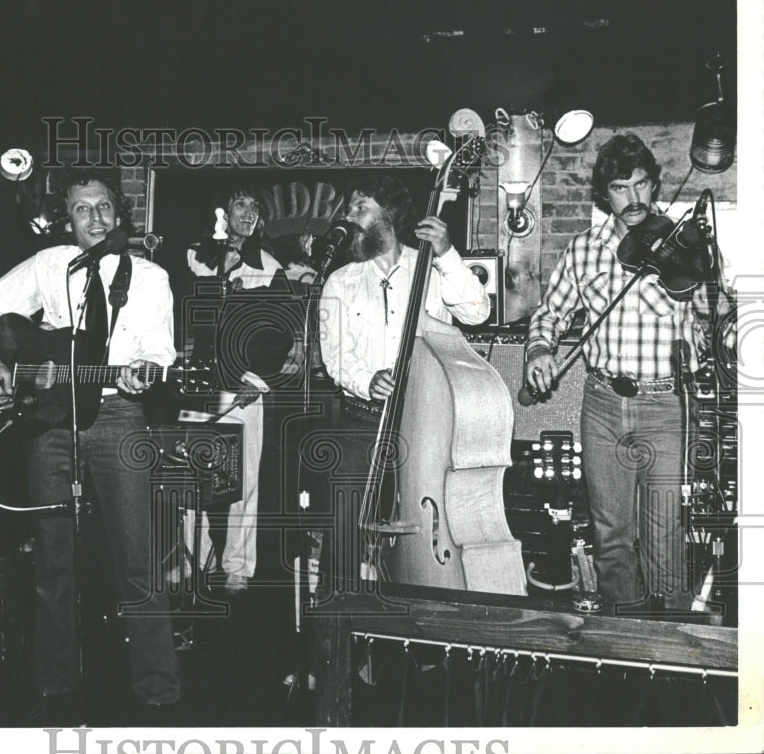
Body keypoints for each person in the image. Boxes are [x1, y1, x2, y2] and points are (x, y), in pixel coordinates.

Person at [0, 167, 180, 721]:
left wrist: (146, 371)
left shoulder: (150, 276)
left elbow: (160, 350)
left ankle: (158, 691)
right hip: (52, 423)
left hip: (119, 418)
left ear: (119, 212)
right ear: (68, 217)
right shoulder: (50, 265)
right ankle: (55, 688)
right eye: (82, 209)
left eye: (103, 207)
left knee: (138, 561)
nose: (95, 219)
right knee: (52, 561)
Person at [524, 133, 717, 612]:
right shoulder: (584, 250)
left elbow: (714, 321)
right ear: (603, 194)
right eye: (619, 188)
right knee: (611, 536)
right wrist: (538, 351)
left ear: (653, 186)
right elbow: (549, 314)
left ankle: (670, 653)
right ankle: (623, 645)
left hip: (665, 406)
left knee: (664, 536)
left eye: (641, 185)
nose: (632, 199)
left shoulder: (685, 247)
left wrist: (715, 320)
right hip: (604, 404)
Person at [317, 173, 490, 592]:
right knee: (343, 532)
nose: (349, 218)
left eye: (360, 208)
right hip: (361, 422)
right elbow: (335, 355)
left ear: (388, 215)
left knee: (426, 526)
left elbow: (477, 312)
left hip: (425, 424)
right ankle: (336, 631)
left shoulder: (430, 266)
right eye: (349, 210)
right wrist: (366, 379)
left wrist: (448, 254)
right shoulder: (340, 281)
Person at [183, 187, 296, 594]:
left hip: (243, 387)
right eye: (241, 204)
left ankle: (237, 566)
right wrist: (219, 271)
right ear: (224, 212)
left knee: (241, 480)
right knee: (190, 476)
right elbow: (188, 313)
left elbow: (280, 327)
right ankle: (192, 558)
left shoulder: (268, 266)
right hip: (196, 385)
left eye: (255, 207)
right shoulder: (196, 255)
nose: (249, 212)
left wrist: (257, 378)